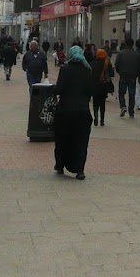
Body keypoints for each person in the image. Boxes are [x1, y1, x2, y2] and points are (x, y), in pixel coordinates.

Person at [53, 45, 94, 180]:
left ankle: (60, 165)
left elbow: (59, 89)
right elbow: (90, 91)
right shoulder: (88, 71)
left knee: (62, 139)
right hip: (82, 112)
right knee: (81, 141)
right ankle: (80, 169)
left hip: (65, 111)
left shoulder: (65, 70)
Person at [114, 38, 139, 118]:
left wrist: (120, 72)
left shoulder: (121, 54)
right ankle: (131, 112)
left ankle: (123, 106)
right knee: (132, 94)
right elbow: (139, 66)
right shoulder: (136, 54)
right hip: (132, 77)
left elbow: (116, 65)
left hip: (123, 76)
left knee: (121, 93)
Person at [90, 48, 114, 126]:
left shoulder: (92, 63)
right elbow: (112, 73)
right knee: (102, 103)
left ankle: (95, 115)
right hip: (104, 86)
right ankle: (102, 120)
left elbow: (90, 75)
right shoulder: (107, 63)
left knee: (95, 102)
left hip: (94, 86)